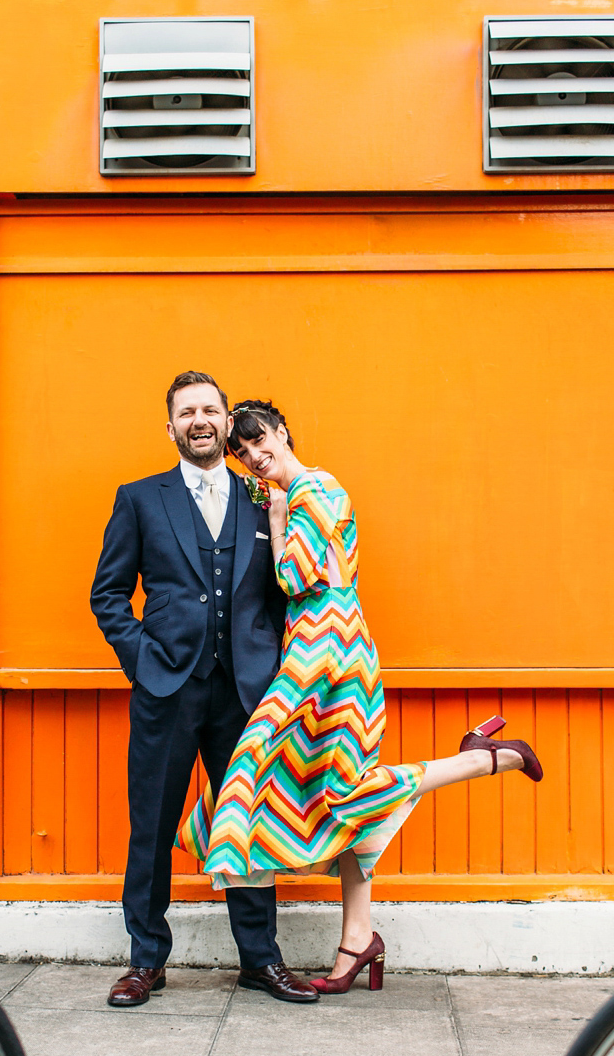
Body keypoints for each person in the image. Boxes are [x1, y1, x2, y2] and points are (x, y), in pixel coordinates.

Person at [177, 400, 543, 994]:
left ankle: (484, 758)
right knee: (331, 793)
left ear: (283, 431)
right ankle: (357, 938)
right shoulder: (302, 492)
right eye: (241, 450)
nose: (252, 455)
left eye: (259, 440)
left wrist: (271, 514)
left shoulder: (314, 489)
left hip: (329, 651)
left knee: (264, 774)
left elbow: (296, 577)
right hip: (320, 646)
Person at [91, 372, 320, 1006]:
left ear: (225, 422)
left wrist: (277, 663)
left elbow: (287, 587)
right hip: (166, 688)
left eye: (210, 410)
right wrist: (140, 658)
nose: (200, 420)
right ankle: (145, 960)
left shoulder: (263, 496)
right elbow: (107, 593)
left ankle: (259, 961)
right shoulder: (139, 498)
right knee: (153, 827)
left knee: (248, 825)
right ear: (171, 428)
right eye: (187, 411)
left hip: (248, 691)